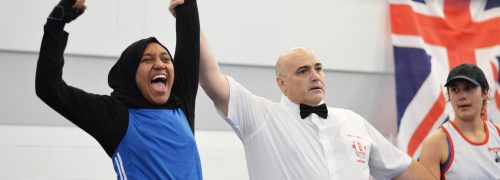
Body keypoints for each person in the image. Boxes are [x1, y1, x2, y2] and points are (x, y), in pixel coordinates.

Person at [166, 0, 432, 178]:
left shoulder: (353, 121)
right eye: (303, 71)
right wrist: (188, 15)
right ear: (281, 83)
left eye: (318, 68)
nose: (314, 75)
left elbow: (403, 169)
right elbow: (211, 78)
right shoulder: (261, 116)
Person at [35, 0, 202, 179]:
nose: (160, 64)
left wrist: (186, 7)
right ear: (131, 74)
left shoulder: (180, 104)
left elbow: (189, 39)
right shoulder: (117, 116)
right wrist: (56, 22)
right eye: (147, 60)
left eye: (165, 59)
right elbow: (48, 87)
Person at [419, 64, 500, 179]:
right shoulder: (435, 144)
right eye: (455, 89)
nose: (462, 96)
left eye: (469, 88)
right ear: (449, 96)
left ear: (485, 92)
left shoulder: (497, 134)